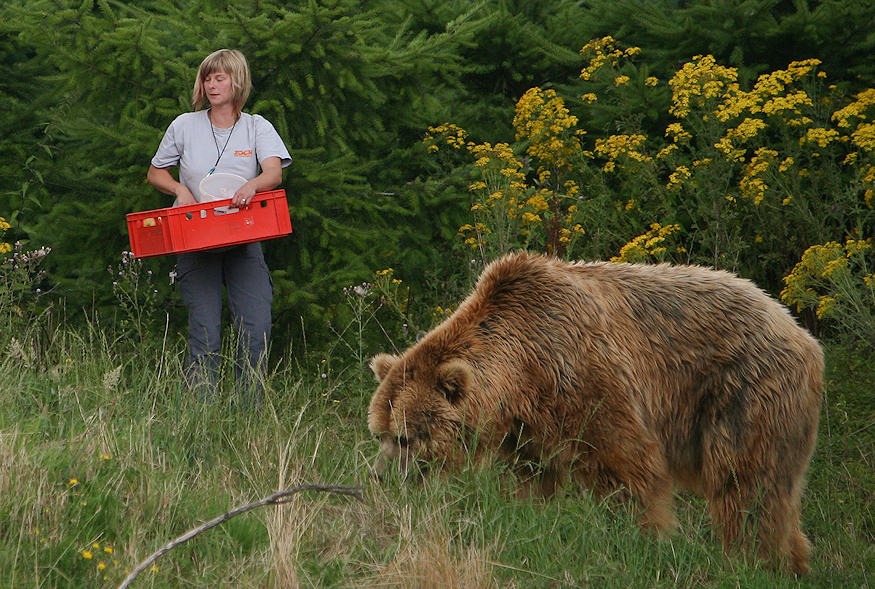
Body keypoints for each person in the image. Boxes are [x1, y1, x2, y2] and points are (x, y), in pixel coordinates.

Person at [147, 49, 292, 405]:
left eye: (220, 77)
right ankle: (202, 414)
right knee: (205, 333)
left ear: (236, 81)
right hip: (196, 241)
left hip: (244, 240)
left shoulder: (257, 126)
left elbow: (274, 172)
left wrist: (253, 185)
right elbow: (155, 172)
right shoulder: (184, 125)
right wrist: (180, 190)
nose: (211, 85)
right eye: (207, 78)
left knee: (255, 328)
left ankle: (249, 414)